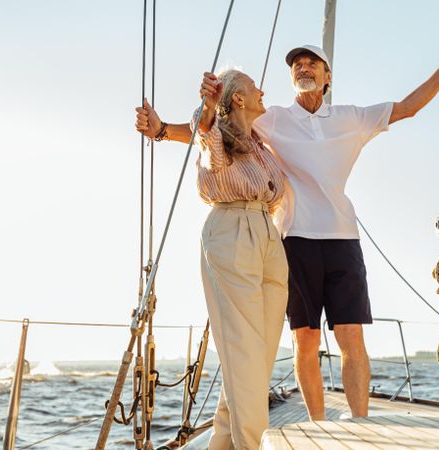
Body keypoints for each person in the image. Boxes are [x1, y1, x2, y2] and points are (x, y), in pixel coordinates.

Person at [136, 37, 439, 423]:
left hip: (343, 239)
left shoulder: (352, 118)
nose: (304, 68)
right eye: (297, 64)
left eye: (313, 63)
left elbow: (409, 107)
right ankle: (319, 424)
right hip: (294, 240)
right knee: (305, 340)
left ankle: (360, 424)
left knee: (351, 338)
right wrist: (161, 130)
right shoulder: (273, 118)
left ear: (327, 76)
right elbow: (219, 127)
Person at [172, 68, 289, 450]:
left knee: (259, 355)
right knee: (243, 351)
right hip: (232, 229)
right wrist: (206, 106)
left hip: (268, 235)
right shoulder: (217, 134)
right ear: (237, 98)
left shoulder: (258, 143)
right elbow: (202, 130)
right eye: (255, 88)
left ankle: (220, 444)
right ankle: (254, 446)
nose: (262, 92)